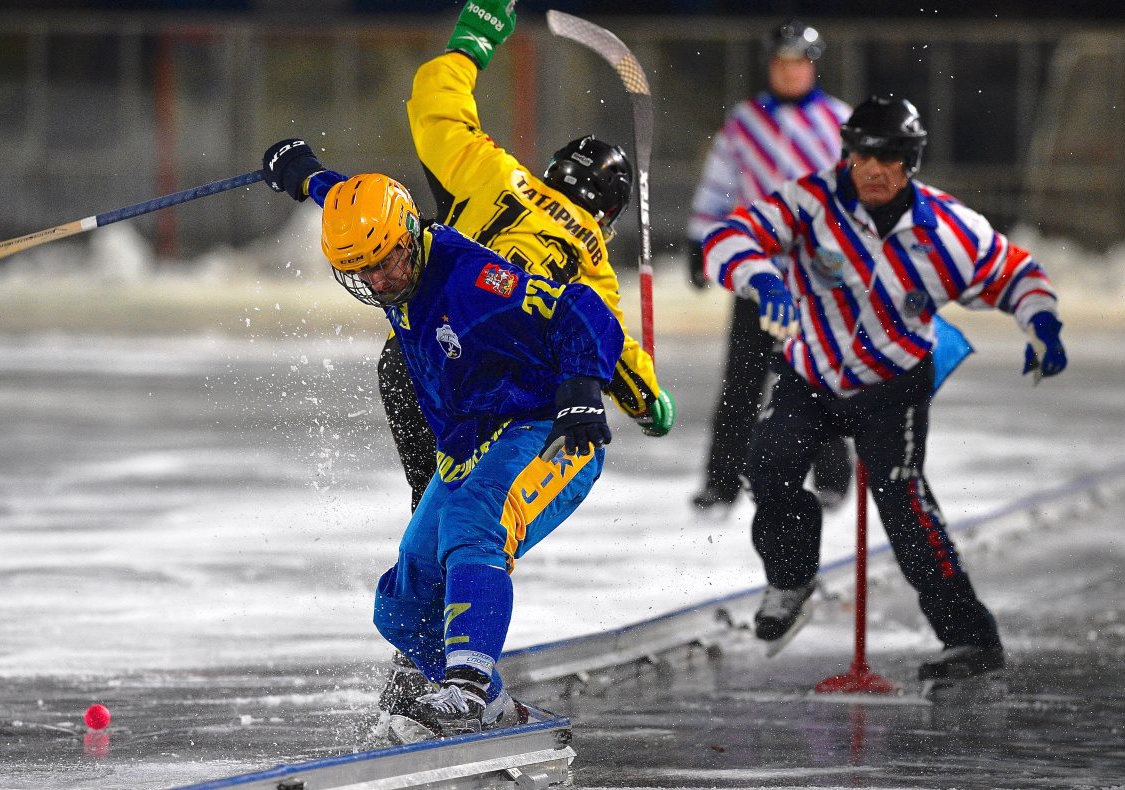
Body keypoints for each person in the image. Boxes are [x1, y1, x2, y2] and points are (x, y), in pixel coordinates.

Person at [261, 142, 624, 739]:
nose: (379, 281)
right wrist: (306, 178)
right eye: (362, 272)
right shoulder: (388, 243)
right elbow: (351, 202)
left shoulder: (473, 280)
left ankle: (467, 689)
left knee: (473, 520)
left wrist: (584, 387)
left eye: (386, 263)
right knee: (404, 599)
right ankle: (498, 711)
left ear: (409, 236)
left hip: (546, 431)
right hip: (472, 441)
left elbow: (580, 307)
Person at [701, 95, 1068, 681]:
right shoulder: (809, 202)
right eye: (862, 155)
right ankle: (792, 577)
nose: (874, 169)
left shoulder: (948, 229)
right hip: (810, 373)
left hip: (893, 383)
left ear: (912, 161)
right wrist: (761, 277)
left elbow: (1015, 272)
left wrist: (1041, 321)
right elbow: (728, 238)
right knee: (768, 469)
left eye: (891, 157)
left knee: (904, 504)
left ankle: (971, 639)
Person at [371, 0, 671, 514]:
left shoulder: (494, 173)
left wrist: (472, 42)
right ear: (610, 210)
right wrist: (648, 400)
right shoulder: (591, 250)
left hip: (432, 353)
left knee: (401, 362)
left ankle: (428, 506)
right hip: (508, 394)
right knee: (484, 505)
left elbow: (434, 103)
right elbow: (606, 342)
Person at [686, 20, 854, 514]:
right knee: (741, 379)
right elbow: (719, 186)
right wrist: (702, 240)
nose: (789, 72)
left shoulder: (839, 122)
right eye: (781, 63)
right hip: (756, 270)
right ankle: (722, 481)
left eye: (798, 63)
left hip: (818, 275)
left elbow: (855, 194)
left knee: (817, 375)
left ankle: (832, 476)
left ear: (812, 66)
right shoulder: (745, 122)